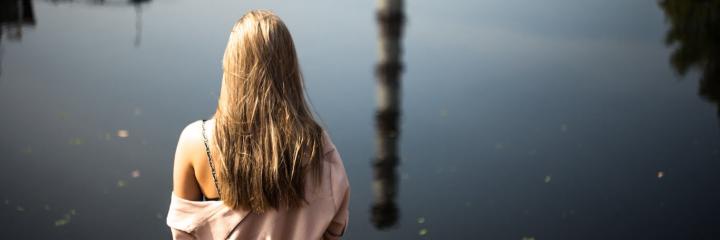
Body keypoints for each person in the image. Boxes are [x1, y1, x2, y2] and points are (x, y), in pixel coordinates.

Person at [166, 10, 350, 240]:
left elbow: (183, 234)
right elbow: (335, 226)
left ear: (231, 64)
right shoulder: (316, 144)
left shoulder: (196, 141)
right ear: (290, 69)